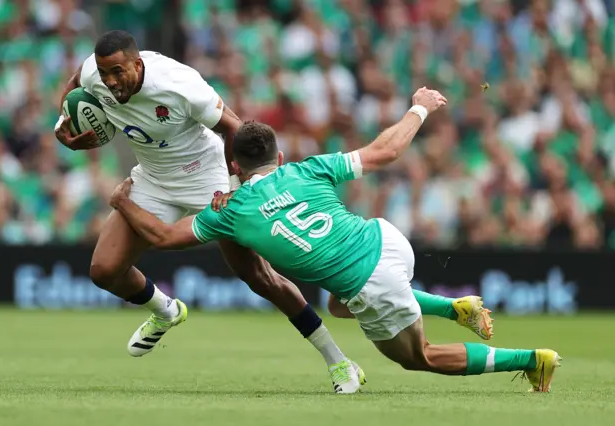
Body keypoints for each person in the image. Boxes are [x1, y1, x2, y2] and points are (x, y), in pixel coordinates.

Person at [109, 87, 561, 393]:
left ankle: (529, 359)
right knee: (338, 304)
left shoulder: (230, 211)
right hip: (386, 239)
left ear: (234, 167)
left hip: (372, 281)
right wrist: (419, 106)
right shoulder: (309, 167)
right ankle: (455, 307)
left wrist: (122, 202)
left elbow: (164, 236)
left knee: (417, 357)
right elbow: (385, 151)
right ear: (279, 156)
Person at [53, 30, 365, 393]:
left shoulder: (180, 84)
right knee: (104, 271)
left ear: (137, 65)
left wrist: (232, 190)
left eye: (118, 72)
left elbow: (234, 127)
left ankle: (339, 361)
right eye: (105, 74)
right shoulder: (96, 73)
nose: (109, 81)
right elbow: (77, 82)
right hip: (152, 180)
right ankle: (166, 310)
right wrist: (64, 125)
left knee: (258, 277)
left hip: (207, 180)